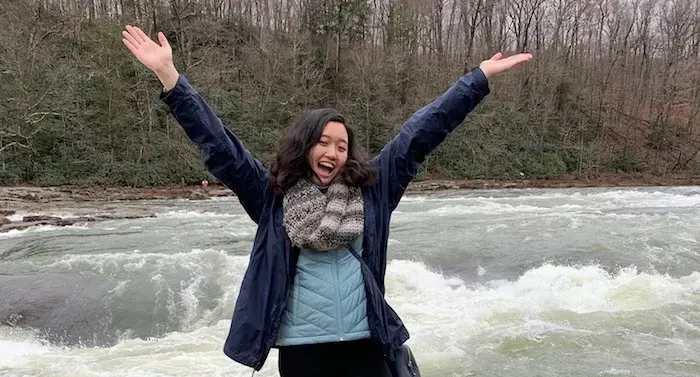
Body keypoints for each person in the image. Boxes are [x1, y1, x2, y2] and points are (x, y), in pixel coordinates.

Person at [121, 25, 531, 377]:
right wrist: (170, 76)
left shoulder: (373, 190)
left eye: (341, 145)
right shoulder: (273, 198)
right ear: (305, 146)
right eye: (323, 142)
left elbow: (419, 134)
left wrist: (476, 79)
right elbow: (221, 147)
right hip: (302, 354)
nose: (332, 153)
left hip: (368, 345)